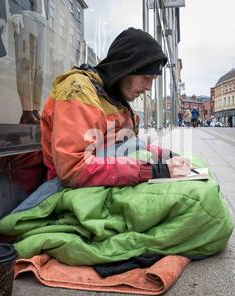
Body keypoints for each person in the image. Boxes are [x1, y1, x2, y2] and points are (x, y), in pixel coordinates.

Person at [40, 27, 192, 188]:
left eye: (153, 79)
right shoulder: (78, 91)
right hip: (67, 189)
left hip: (108, 179)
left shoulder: (118, 100)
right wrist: (156, 171)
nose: (149, 87)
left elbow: (127, 145)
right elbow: (73, 169)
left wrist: (168, 156)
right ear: (125, 68)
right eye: (146, 77)